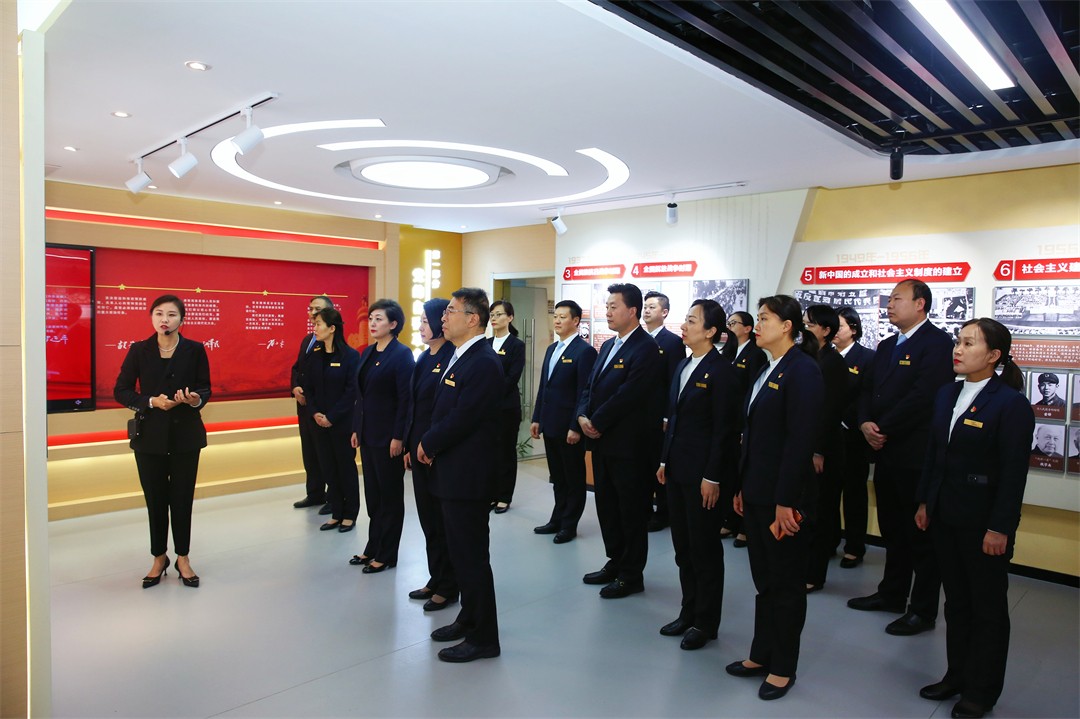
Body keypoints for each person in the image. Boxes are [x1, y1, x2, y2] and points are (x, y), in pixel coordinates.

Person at [914, 319, 1034, 719]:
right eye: (958, 341)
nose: (958, 349)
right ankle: (957, 675)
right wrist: (925, 502)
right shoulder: (947, 393)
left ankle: (981, 691)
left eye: (969, 343)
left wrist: (1000, 527)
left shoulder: (1010, 404)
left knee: (987, 609)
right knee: (957, 603)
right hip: (945, 515)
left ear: (994, 355)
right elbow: (935, 455)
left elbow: (1013, 474)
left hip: (983, 524)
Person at [725, 295, 823, 701]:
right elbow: (755, 437)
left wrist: (786, 501)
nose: (757, 325)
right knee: (765, 581)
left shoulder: (803, 370)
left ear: (787, 326)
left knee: (785, 584)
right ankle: (761, 654)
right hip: (758, 492)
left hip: (784, 499)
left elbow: (800, 441)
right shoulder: (767, 368)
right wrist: (743, 487)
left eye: (764, 318)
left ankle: (783, 666)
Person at [849, 279, 954, 637]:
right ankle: (892, 594)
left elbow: (924, 397)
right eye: (889, 299)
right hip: (885, 451)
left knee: (920, 535)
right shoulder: (886, 345)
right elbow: (867, 389)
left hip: (914, 453)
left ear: (920, 304)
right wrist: (864, 422)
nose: (889, 305)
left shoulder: (938, 344)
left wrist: (882, 427)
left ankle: (922, 610)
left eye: (897, 298)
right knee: (893, 528)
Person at [417, 287, 504, 663]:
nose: (443, 317)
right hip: (451, 472)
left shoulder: (483, 362)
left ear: (472, 319)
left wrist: (428, 442)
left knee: (471, 558)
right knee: (460, 553)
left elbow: (465, 417)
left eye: (450, 311)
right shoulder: (460, 355)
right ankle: (468, 618)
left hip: (468, 476)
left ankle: (484, 638)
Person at [656, 299, 740, 650]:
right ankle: (688, 611)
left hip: (703, 477)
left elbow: (725, 431)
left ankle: (706, 622)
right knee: (683, 548)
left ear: (711, 331)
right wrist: (664, 461)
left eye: (692, 321)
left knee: (704, 550)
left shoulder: (723, 372)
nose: (684, 326)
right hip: (677, 470)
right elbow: (673, 420)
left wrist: (713, 477)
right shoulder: (683, 365)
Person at [115, 294, 211, 588]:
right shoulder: (139, 350)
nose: (164, 320)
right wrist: (151, 402)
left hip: (186, 437)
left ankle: (183, 557)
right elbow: (121, 390)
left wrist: (194, 399)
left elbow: (205, 388)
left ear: (182, 319)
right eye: (159, 314)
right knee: (155, 500)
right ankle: (159, 557)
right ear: (152, 318)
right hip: (150, 438)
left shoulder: (195, 350)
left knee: (182, 499)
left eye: (171, 314)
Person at [577, 282, 663, 599]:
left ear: (632, 311)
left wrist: (597, 421)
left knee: (631, 511)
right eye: (607, 306)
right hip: (603, 443)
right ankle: (615, 561)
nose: (608, 312)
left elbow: (630, 394)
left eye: (614, 307)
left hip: (630, 447)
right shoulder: (608, 346)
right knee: (607, 507)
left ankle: (631, 574)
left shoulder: (646, 348)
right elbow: (590, 385)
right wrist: (582, 415)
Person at [349, 299, 414, 570]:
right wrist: (356, 428)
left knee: (389, 497)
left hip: (388, 439)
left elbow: (406, 400)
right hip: (368, 435)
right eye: (371, 318)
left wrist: (399, 436)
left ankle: (387, 554)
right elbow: (360, 396)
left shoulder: (402, 355)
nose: (373, 324)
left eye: (379, 319)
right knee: (374, 497)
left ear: (393, 324)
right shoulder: (368, 352)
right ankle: (372, 547)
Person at [403, 298, 459, 611]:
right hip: (419, 449)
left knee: (442, 520)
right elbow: (414, 406)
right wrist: (410, 446)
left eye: (426, 321)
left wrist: (430, 445)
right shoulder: (425, 357)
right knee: (428, 520)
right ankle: (436, 577)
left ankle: (449, 585)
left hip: (437, 452)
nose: (421, 326)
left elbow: (446, 411)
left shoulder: (452, 356)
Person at [530, 300, 597, 544]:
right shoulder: (552, 349)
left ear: (576, 321)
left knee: (573, 479)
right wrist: (537, 417)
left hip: (569, 428)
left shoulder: (584, 351)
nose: (557, 321)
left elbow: (584, 393)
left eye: (563, 317)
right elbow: (544, 387)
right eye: (555, 316)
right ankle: (557, 518)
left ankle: (569, 524)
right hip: (550, 423)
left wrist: (575, 426)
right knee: (558, 477)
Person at [802, 305, 851, 593]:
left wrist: (818, 450)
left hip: (825, 450)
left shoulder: (833, 363)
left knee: (821, 512)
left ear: (826, 330)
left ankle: (814, 574)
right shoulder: (807, 357)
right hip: (807, 445)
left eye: (810, 325)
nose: (805, 329)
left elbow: (829, 410)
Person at [304, 307, 361, 534]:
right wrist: (315, 413)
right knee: (328, 469)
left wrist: (332, 416)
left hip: (342, 423)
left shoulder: (350, 356)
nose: (315, 328)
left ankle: (350, 514)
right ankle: (336, 512)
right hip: (318, 423)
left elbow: (351, 391)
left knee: (345, 468)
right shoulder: (314, 355)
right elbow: (308, 388)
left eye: (318, 324)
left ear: (332, 328)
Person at [719, 310, 767, 548]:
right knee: (727, 473)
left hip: (742, 423)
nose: (729, 326)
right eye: (728, 323)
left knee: (742, 475)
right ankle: (729, 519)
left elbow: (751, 391)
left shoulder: (755, 354)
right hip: (725, 422)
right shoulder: (727, 352)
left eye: (734, 323)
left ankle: (744, 527)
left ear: (748, 328)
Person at [833, 306, 875, 568]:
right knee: (827, 495)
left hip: (853, 436)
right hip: (828, 437)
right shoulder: (825, 357)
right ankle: (828, 542)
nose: (835, 331)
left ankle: (854, 547)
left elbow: (867, 397)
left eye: (840, 326)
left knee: (854, 495)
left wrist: (850, 420)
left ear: (853, 329)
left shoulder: (867, 358)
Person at [643, 291, 686, 531]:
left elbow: (673, 382)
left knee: (658, 464)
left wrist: (668, 415)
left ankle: (663, 513)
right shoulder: (640, 339)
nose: (647, 311)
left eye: (652, 307)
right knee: (642, 465)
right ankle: (645, 510)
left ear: (665, 312)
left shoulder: (672, 342)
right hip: (640, 416)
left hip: (660, 416)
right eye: (645, 307)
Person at [291, 295, 334, 513]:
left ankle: (333, 497)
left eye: (317, 309)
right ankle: (315, 493)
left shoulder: (332, 343)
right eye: (310, 309)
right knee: (309, 451)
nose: (312, 313)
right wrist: (295, 387)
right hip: (304, 406)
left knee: (326, 454)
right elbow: (297, 368)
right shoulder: (308, 339)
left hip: (321, 408)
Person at [488, 300, 526, 514]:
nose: (494, 318)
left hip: (506, 408)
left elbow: (512, 377)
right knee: (490, 453)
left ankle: (504, 496)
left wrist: (488, 392)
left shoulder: (516, 345)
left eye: (499, 314)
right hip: (486, 409)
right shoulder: (485, 343)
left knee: (505, 453)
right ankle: (491, 494)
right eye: (492, 314)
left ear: (510, 318)